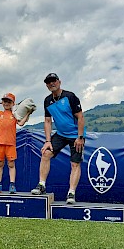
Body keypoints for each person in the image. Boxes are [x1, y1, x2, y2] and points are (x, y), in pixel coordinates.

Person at [31, 73, 86, 204]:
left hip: (75, 135)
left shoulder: (70, 97)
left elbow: (80, 117)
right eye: (48, 82)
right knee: (46, 153)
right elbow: (48, 121)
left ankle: (71, 193)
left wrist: (80, 137)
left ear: (59, 82)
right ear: (46, 85)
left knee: (75, 163)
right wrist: (48, 141)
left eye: (53, 81)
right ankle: (41, 185)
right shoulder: (47, 100)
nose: (51, 84)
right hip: (60, 134)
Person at [0, 91, 32, 194]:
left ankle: (12, 185)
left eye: (9, 101)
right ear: (2, 103)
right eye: (5, 101)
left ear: (13, 103)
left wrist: (28, 112)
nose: (6, 103)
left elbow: (21, 123)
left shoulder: (15, 115)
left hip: (10, 144)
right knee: (0, 164)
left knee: (11, 164)